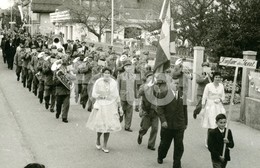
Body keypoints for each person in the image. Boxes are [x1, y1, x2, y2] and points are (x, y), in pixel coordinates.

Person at [86, 67, 123, 153]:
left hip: (110, 106)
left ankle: (105, 144)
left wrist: (120, 107)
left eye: (108, 73)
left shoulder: (113, 83)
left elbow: (116, 96)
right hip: (101, 105)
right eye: (105, 73)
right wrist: (101, 96)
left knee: (108, 126)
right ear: (102, 74)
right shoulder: (98, 82)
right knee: (101, 125)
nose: (107, 74)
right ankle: (98, 138)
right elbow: (94, 94)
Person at [156, 73, 187, 168]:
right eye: (175, 83)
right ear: (170, 84)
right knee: (165, 144)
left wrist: (185, 123)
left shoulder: (182, 94)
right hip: (168, 125)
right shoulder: (164, 94)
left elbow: (184, 109)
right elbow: (160, 109)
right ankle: (161, 156)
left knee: (179, 146)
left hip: (179, 125)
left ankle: (177, 163)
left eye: (178, 84)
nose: (177, 85)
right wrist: (163, 121)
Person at [201, 71, 226, 147]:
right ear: (213, 78)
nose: (217, 79)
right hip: (210, 106)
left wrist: (220, 100)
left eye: (219, 77)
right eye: (216, 77)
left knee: (219, 123)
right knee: (211, 124)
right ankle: (209, 141)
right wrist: (203, 107)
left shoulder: (221, 86)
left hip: (218, 106)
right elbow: (204, 96)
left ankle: (218, 141)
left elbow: (223, 96)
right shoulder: (208, 86)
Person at [137, 71, 159, 151]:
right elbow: (139, 93)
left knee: (155, 128)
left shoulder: (157, 87)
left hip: (155, 111)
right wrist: (147, 86)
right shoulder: (143, 86)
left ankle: (151, 144)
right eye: (149, 78)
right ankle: (140, 134)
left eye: (152, 78)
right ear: (146, 79)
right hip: (147, 111)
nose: (151, 79)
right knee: (145, 128)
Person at [117, 60, 136, 132]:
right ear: (124, 67)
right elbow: (118, 86)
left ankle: (127, 126)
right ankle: (117, 123)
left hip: (131, 96)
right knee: (120, 111)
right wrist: (117, 96)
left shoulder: (134, 76)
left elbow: (135, 87)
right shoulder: (120, 76)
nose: (128, 68)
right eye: (127, 66)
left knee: (129, 112)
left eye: (129, 66)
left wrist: (136, 96)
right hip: (122, 96)